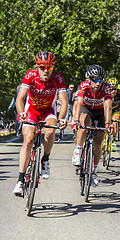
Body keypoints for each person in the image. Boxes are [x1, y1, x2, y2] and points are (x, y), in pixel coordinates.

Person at [13, 51, 68, 196]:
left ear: (53, 67)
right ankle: (20, 180)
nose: (46, 70)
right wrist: (21, 113)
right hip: (31, 110)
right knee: (28, 140)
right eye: (42, 67)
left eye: (49, 67)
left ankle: (45, 159)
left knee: (50, 132)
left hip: (48, 110)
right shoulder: (30, 75)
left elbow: (63, 102)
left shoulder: (58, 77)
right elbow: (20, 99)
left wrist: (62, 118)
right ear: (37, 66)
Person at [71, 64, 113, 187]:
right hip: (87, 109)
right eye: (95, 80)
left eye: (100, 80)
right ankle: (78, 150)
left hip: (100, 112)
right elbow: (78, 104)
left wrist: (108, 123)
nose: (98, 83)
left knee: (98, 142)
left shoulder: (106, 87)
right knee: (84, 121)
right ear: (89, 79)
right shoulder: (84, 85)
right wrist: (75, 120)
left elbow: (108, 105)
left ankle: (93, 171)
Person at [107, 77, 120, 151]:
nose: (113, 91)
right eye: (111, 89)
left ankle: (114, 141)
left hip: (115, 109)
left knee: (115, 120)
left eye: (115, 89)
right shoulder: (105, 93)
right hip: (107, 109)